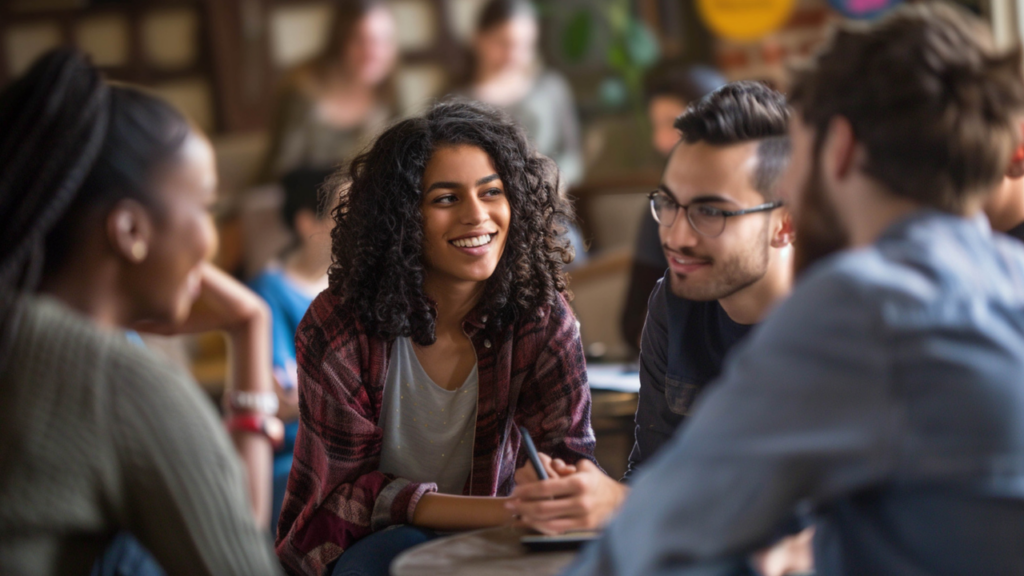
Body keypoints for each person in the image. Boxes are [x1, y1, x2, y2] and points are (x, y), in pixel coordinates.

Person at [564, 3, 1024, 574]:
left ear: (841, 148)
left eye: (799, 148)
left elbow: (652, 536)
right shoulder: (1009, 276)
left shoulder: (862, 304)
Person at [274, 100, 597, 576]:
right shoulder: (339, 325)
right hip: (364, 542)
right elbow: (349, 495)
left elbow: (568, 461)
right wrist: (506, 510)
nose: (476, 216)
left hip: (501, 534)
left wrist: (556, 492)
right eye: (445, 199)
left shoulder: (541, 318)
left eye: (492, 193)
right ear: (401, 219)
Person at [0, 49, 282, 575]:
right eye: (206, 207)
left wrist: (250, 326)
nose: (212, 238)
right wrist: (251, 326)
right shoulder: (115, 384)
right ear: (130, 231)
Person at [509, 81, 794, 532]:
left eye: (710, 212)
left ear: (785, 224)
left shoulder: (843, 320)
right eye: (668, 204)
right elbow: (653, 473)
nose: (676, 238)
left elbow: (801, 510)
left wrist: (621, 504)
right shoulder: (674, 300)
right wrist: (586, 497)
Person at [248, 167, 336, 531]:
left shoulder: (358, 287)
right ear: (306, 222)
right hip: (298, 456)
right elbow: (282, 394)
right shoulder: (268, 292)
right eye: (342, 212)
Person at [621, 64, 726, 354]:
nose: (660, 141)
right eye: (656, 127)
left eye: (672, 123)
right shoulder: (660, 208)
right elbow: (632, 323)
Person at [260, 0, 398, 182]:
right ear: (340, 41)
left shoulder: (387, 95)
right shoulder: (302, 90)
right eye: (360, 40)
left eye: (382, 41)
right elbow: (280, 170)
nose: (373, 52)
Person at [463, 0, 583, 187]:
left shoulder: (551, 88)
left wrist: (552, 182)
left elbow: (572, 156)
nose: (513, 55)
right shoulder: (456, 102)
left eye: (524, 45)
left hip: (548, 200)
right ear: (478, 38)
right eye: (504, 43)